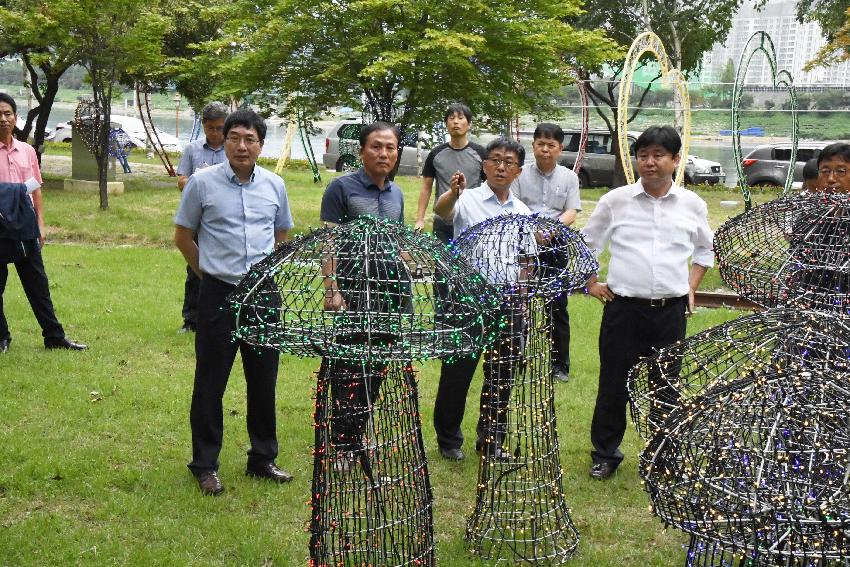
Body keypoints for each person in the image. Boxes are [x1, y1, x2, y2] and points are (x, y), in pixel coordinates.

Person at [582, 125, 713, 480]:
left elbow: (705, 251)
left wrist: (691, 286)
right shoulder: (616, 201)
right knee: (614, 383)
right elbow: (585, 246)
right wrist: (590, 283)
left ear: (675, 160)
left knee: (665, 386)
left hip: (670, 312)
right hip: (623, 309)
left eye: (658, 155)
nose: (650, 162)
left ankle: (662, 455)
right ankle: (605, 454)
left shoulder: (692, 205)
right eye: (643, 155)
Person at [174, 109, 294, 495]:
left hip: (263, 295)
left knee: (264, 380)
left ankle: (263, 458)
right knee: (210, 382)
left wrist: (263, 274)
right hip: (218, 293)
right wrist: (206, 274)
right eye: (234, 138)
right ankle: (205, 464)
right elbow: (183, 236)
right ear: (223, 141)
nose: (242, 146)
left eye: (250, 139)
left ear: (261, 144)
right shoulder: (202, 184)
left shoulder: (275, 185)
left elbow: (282, 236)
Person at [432, 138, 532, 461]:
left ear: (518, 171)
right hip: (467, 299)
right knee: (457, 371)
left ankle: (491, 438)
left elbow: (526, 260)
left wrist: (521, 298)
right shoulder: (468, 199)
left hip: (507, 301)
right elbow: (442, 211)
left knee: (502, 374)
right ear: (484, 165)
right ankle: (449, 439)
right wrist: (452, 192)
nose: (501, 166)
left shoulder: (522, 211)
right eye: (495, 160)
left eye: (509, 162)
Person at [319, 121, 406, 472]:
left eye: (390, 147)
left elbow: (397, 244)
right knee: (349, 367)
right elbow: (329, 242)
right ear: (362, 150)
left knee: (377, 368)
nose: (384, 153)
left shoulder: (397, 192)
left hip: (389, 295)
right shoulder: (341, 188)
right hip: (353, 292)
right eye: (376, 147)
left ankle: (359, 431)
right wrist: (332, 289)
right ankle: (341, 442)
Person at [0, 93, 86, 354]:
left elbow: (36, 189)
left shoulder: (27, 151)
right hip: (0, 227)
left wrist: (41, 223)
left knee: (38, 285)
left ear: (16, 117)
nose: (3, 119)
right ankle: (2, 337)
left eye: (8, 114)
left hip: (25, 226)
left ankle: (54, 336)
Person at [510, 122, 581, 383]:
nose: (545, 150)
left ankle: (559, 364)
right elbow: (516, 209)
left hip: (555, 245)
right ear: (533, 146)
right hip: (524, 245)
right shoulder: (519, 175)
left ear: (560, 148)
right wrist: (532, 232)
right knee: (519, 302)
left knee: (557, 306)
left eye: (551, 145)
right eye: (540, 144)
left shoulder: (569, 177)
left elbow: (572, 211)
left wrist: (551, 229)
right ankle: (516, 357)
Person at [175, 102, 229, 333]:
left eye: (219, 128)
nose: (215, 133)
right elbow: (181, 181)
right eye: (210, 128)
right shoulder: (193, 149)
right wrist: (199, 183)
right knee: (195, 268)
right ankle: (192, 320)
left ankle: (225, 316)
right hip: (198, 217)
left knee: (225, 267)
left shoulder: (234, 148)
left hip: (225, 218)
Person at [414, 103, 486, 240]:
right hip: (443, 221)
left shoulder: (481, 153)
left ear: (469, 124)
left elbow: (490, 186)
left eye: (460, 118)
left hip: (472, 221)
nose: (456, 122)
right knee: (443, 261)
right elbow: (426, 187)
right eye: (451, 118)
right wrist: (420, 219)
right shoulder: (436, 154)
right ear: (446, 124)